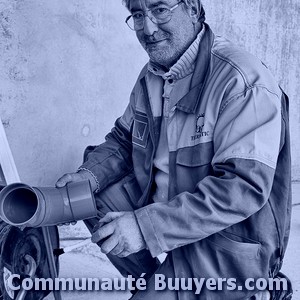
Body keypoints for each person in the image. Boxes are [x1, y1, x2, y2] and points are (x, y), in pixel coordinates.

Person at [56, 0, 292, 299]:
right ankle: (158, 284)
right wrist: (87, 176)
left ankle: (255, 289)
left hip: (222, 241)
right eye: (138, 15)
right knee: (90, 194)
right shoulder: (152, 76)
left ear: (192, 9)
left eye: (159, 10)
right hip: (172, 216)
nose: (148, 28)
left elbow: (242, 188)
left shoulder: (242, 81)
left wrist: (145, 227)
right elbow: (123, 140)